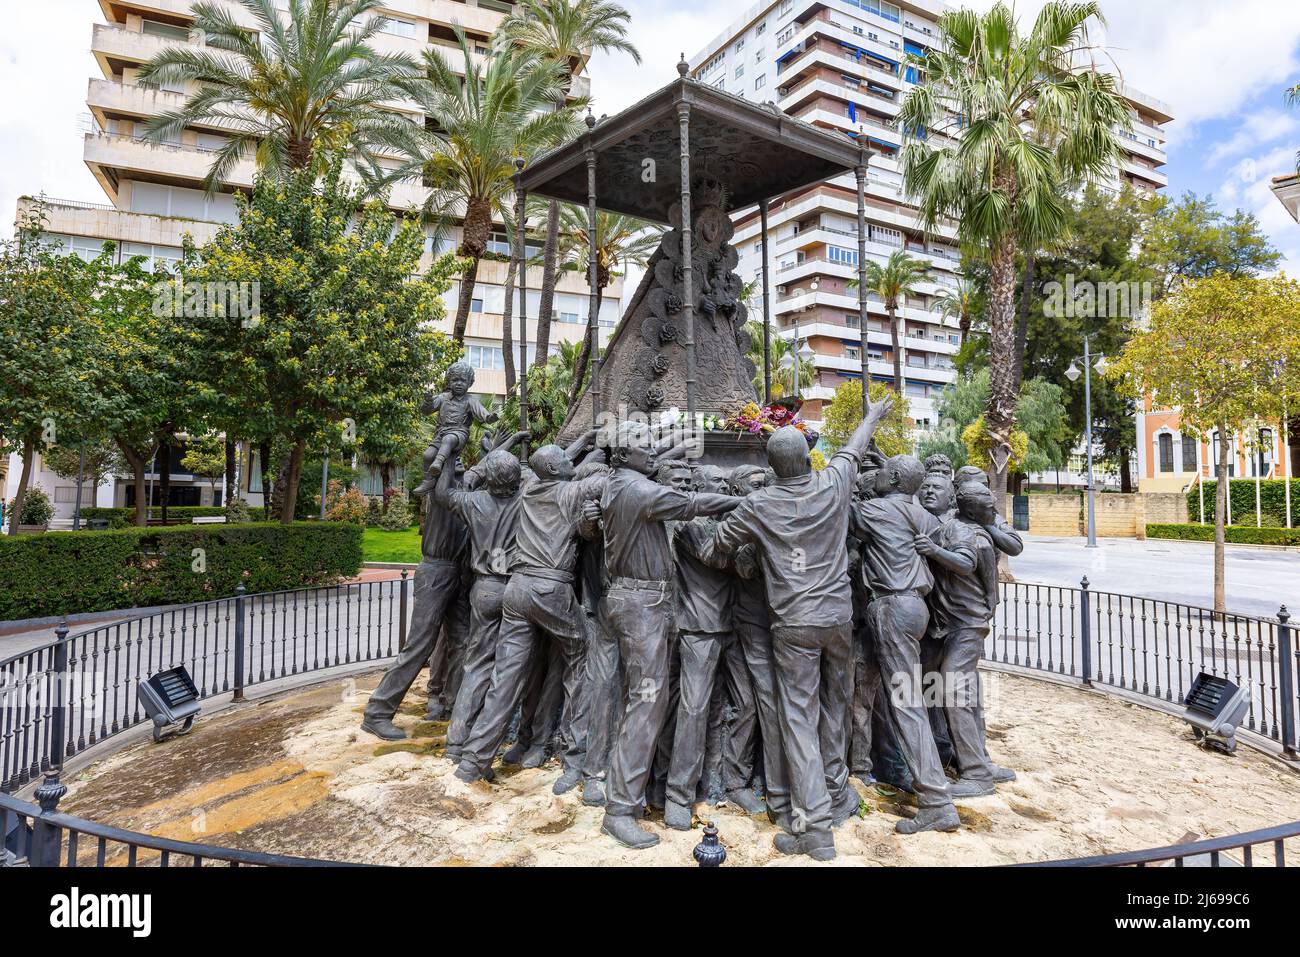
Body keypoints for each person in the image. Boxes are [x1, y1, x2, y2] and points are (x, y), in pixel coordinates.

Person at [710, 399, 893, 861]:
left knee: (798, 718)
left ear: (770, 467)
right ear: (809, 459)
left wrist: (754, 552)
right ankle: (833, 795)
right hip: (837, 620)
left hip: (793, 623)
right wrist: (870, 416)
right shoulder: (833, 483)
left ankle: (813, 828)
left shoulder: (759, 503)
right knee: (834, 707)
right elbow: (853, 449)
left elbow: (716, 547)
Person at [598, 422, 739, 850]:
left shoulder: (617, 482)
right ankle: (620, 809)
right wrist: (742, 500)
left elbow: (654, 453)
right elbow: (693, 503)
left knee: (641, 702)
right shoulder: (639, 491)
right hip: (642, 605)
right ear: (624, 456)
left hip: (634, 600)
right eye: (644, 447)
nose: (653, 452)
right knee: (645, 705)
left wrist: (666, 439)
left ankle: (627, 797)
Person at [454, 433, 600, 791]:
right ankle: (574, 753)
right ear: (555, 469)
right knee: (582, 658)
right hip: (551, 590)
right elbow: (606, 479)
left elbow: (552, 463)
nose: (572, 464)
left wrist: (582, 443)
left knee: (505, 678)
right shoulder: (573, 491)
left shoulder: (530, 488)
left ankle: (473, 760)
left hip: (516, 591)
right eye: (566, 463)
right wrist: (601, 451)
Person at [854, 455, 967, 836]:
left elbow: (832, 505)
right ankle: (859, 766)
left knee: (906, 703)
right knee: (870, 687)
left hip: (892, 607)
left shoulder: (876, 511)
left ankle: (936, 801)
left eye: (885, 472)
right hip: (912, 608)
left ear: (896, 478)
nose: (879, 476)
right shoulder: (922, 515)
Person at [361, 456, 468, 742]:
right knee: (419, 645)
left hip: (457, 574)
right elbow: (433, 459)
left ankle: (451, 702)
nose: (459, 464)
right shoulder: (438, 488)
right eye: (452, 461)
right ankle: (378, 712)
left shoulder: (465, 490)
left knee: (463, 641)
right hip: (436, 572)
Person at [437, 447, 529, 761]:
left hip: (485, 589)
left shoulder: (473, 501)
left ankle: (457, 742)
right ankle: (488, 743)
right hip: (517, 587)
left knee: (476, 666)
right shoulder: (526, 498)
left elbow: (442, 492)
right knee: (508, 668)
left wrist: (471, 469)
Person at [662, 464, 740, 831]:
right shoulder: (688, 525)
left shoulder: (726, 523)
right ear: (700, 488)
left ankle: (721, 781)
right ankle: (678, 795)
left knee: (729, 708)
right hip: (699, 628)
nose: (725, 490)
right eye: (718, 485)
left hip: (729, 624)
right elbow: (718, 558)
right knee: (693, 710)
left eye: (728, 484)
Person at [916, 479, 1005, 796]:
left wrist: (934, 550)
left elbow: (966, 564)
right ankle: (958, 757)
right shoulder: (951, 524)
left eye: (936, 489)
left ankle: (977, 774)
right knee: (938, 690)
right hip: (947, 624)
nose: (928, 493)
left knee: (954, 689)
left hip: (965, 624)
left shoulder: (967, 533)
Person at [413, 361, 498, 492]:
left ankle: (438, 463)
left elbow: (482, 412)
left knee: (449, 439)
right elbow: (426, 411)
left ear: (469, 383)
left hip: (459, 433)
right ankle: (428, 481)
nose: (459, 383)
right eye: (455, 380)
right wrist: (428, 401)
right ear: (448, 381)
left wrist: (489, 417)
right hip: (441, 433)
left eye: (463, 381)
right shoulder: (442, 398)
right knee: (427, 455)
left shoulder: (470, 400)